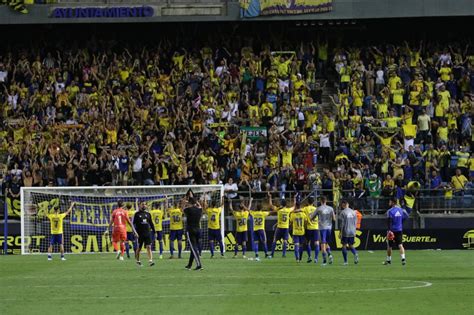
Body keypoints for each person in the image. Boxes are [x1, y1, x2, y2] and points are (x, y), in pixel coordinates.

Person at [311, 196, 335, 265]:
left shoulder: (319, 209)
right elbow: (334, 219)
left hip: (322, 228)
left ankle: (324, 261)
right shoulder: (331, 208)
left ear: (320, 201)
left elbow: (312, 217)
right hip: (329, 228)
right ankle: (330, 255)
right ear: (326, 201)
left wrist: (317, 220)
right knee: (327, 243)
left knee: (322, 245)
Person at [268, 192, 294, 258]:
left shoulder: (279, 210)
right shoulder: (288, 210)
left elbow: (270, 205)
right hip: (286, 227)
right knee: (285, 241)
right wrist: (295, 198)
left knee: (274, 240)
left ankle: (272, 254)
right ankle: (284, 254)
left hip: (279, 227)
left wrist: (270, 197)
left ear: (281, 204)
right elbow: (294, 207)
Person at [384, 198, 409, 265]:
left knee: (389, 246)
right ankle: (403, 259)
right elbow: (406, 217)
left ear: (393, 202)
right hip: (399, 229)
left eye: (390, 201)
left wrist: (389, 231)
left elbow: (389, 221)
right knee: (400, 245)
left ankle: (389, 260)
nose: (389, 202)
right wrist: (400, 223)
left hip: (392, 231)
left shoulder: (390, 211)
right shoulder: (401, 210)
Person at [184, 196, 204, 271]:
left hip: (191, 230)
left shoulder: (188, 210)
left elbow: (182, 209)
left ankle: (199, 265)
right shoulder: (199, 210)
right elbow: (200, 206)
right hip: (198, 229)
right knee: (193, 249)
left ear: (189, 202)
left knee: (193, 248)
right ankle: (189, 265)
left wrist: (185, 203)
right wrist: (195, 202)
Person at [133, 202, 155, 267]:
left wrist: (154, 231)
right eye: (142, 204)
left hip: (147, 232)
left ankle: (150, 261)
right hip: (140, 233)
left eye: (145, 204)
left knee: (149, 247)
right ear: (139, 205)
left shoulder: (148, 214)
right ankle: (138, 261)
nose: (144, 205)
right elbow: (133, 224)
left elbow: (151, 223)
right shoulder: (136, 214)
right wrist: (135, 232)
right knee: (139, 248)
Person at [339, 200, 359, 265]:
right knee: (351, 245)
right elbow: (355, 223)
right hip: (352, 231)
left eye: (342, 204)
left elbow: (342, 224)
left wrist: (340, 232)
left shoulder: (343, 212)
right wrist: (355, 231)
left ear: (344, 204)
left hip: (345, 231)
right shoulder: (354, 212)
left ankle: (345, 261)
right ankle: (355, 254)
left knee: (344, 245)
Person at [302, 197, 319, 263]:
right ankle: (316, 258)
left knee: (307, 243)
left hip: (308, 228)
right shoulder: (316, 209)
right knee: (316, 243)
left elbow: (299, 210)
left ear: (307, 202)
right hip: (315, 227)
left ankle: (309, 257)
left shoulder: (305, 208)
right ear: (313, 202)